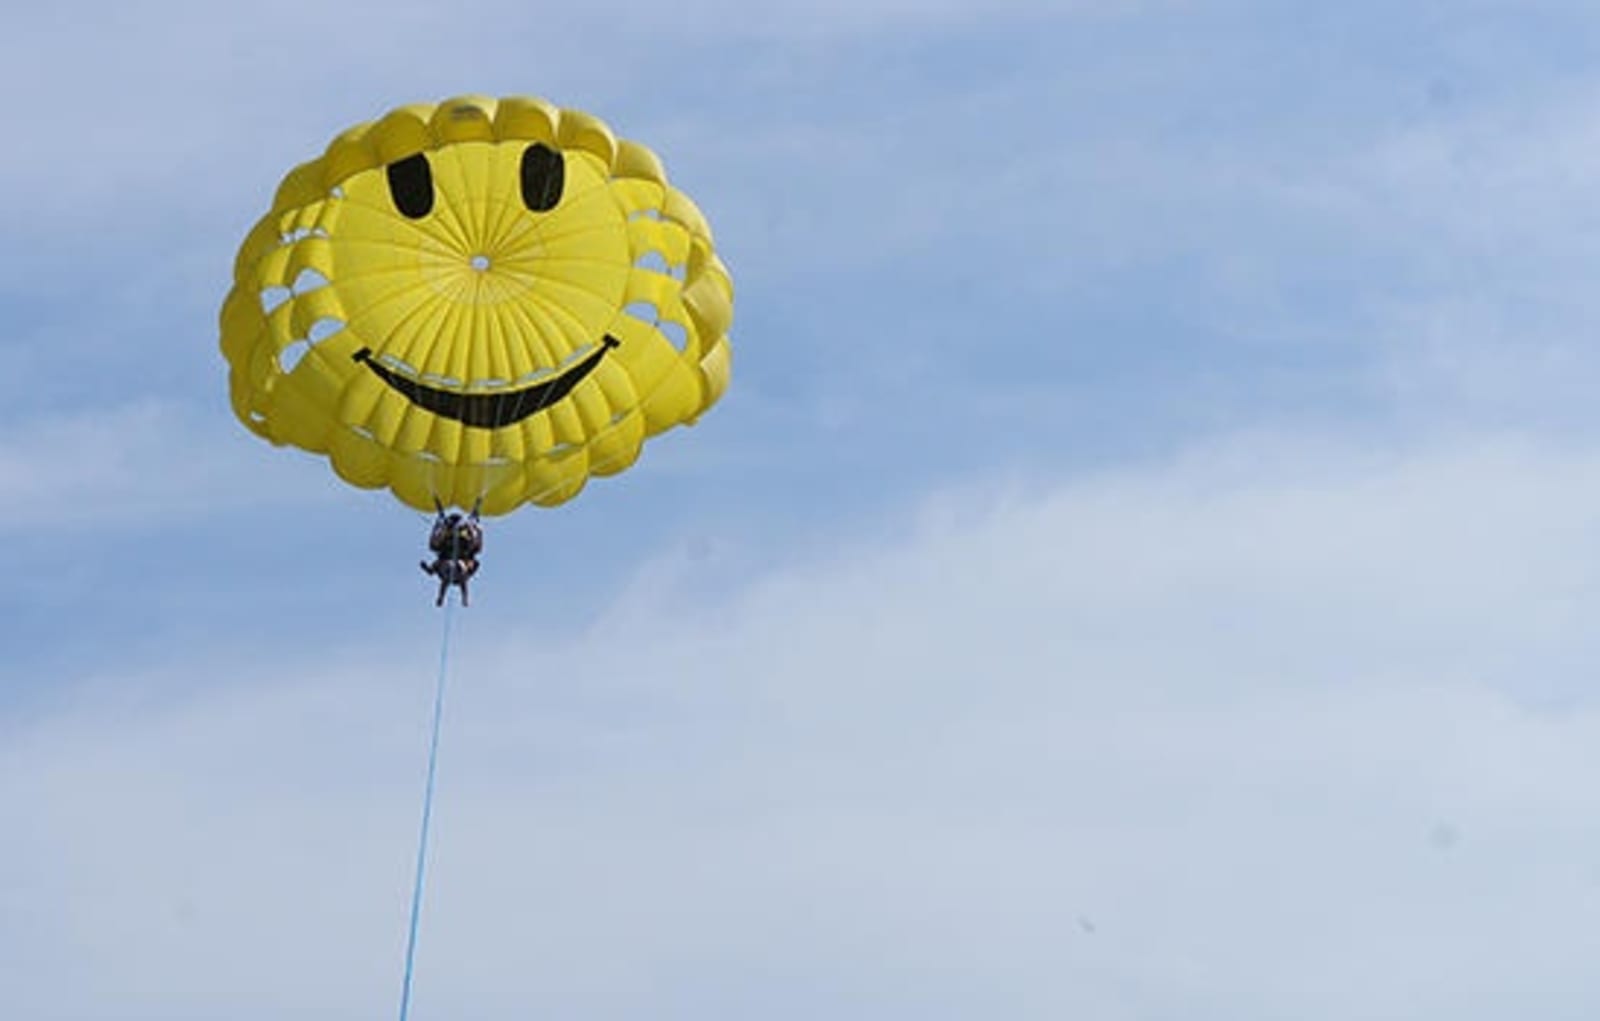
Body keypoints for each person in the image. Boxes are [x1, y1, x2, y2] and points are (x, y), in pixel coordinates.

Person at [421, 501, 484, 606]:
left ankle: (449, 596)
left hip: (456, 559)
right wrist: (477, 531)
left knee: (452, 572)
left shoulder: (464, 532)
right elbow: (433, 544)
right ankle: (448, 596)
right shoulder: (461, 573)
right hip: (456, 557)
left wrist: (437, 528)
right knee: (455, 572)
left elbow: (476, 544)